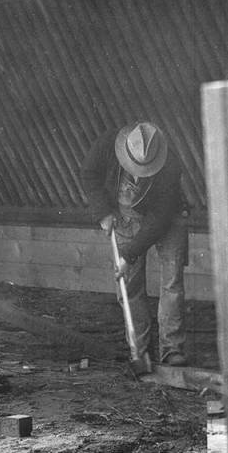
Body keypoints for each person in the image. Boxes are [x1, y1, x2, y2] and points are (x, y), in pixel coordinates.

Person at [80, 121, 189, 367]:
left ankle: (172, 350)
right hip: (125, 217)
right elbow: (89, 174)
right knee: (128, 286)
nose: (140, 173)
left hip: (168, 220)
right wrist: (103, 212)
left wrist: (128, 256)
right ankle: (140, 351)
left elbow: (159, 220)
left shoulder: (170, 164)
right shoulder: (108, 144)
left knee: (171, 284)